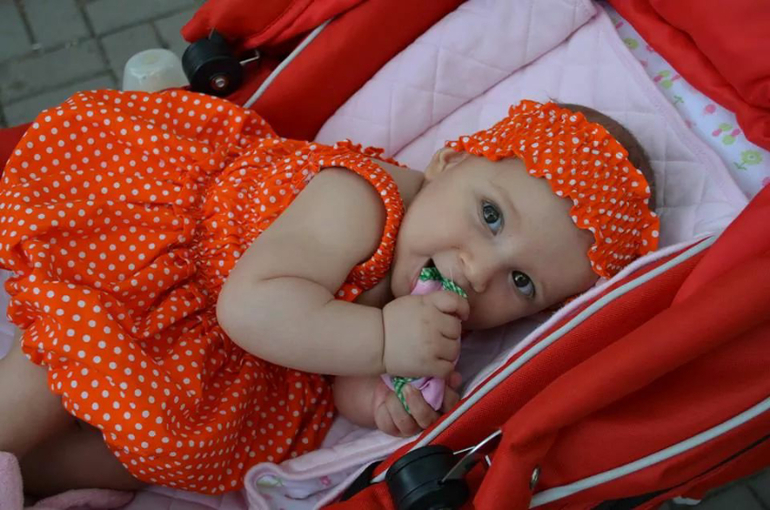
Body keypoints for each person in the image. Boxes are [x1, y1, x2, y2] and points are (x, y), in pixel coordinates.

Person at [0, 91, 658, 495]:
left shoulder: (427, 282)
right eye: (490, 216)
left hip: (251, 346)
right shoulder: (361, 201)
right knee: (64, 357)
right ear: (449, 163)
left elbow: (333, 370)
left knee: (168, 448)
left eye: (522, 283)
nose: (479, 270)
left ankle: (32, 474)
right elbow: (250, 307)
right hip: (170, 272)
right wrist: (382, 339)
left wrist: (383, 397)